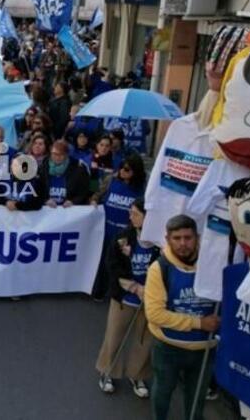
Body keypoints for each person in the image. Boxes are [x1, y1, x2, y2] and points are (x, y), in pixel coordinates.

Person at [145, 214, 219, 420]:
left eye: (188, 237)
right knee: (163, 394)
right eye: (177, 238)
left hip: (204, 348)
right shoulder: (159, 268)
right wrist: (199, 323)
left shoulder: (212, 265)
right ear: (168, 239)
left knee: (196, 400)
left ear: (197, 237)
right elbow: (155, 314)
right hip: (168, 347)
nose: (183, 244)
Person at [96, 199, 159, 397]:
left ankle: (137, 374)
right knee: (114, 335)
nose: (130, 217)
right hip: (125, 298)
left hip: (149, 300)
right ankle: (108, 371)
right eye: (131, 212)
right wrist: (133, 287)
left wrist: (149, 290)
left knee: (144, 339)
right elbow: (112, 265)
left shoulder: (160, 244)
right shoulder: (123, 238)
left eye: (136, 214)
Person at [91, 154, 147, 299]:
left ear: (136, 171)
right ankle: (99, 291)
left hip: (125, 235)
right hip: (105, 230)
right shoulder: (111, 181)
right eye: (121, 167)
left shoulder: (142, 190)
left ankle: (118, 294)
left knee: (120, 264)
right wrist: (94, 201)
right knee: (102, 262)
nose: (122, 171)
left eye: (127, 169)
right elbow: (97, 194)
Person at [38, 140, 91, 208]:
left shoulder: (79, 169)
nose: (57, 157)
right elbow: (37, 190)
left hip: (68, 211)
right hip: (48, 210)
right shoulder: (43, 167)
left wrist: (73, 201)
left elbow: (83, 192)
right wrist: (45, 200)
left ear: (66, 154)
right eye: (54, 154)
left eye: (60, 154)